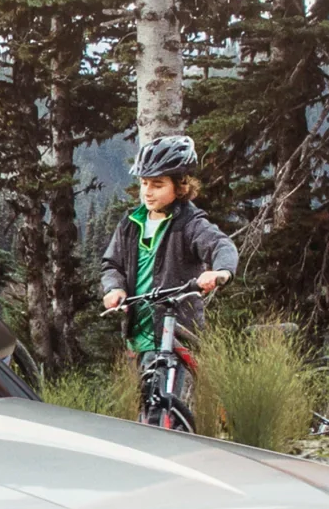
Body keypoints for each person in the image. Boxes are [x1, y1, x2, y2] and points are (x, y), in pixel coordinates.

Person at [99, 135, 236, 350]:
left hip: (180, 334)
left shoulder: (190, 223)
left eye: (158, 185)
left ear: (180, 186)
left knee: (178, 382)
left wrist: (221, 272)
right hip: (139, 336)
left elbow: (220, 245)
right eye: (144, 183)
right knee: (146, 384)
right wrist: (114, 288)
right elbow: (112, 264)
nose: (147, 191)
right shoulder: (131, 223)